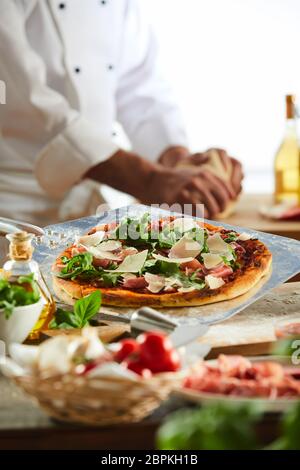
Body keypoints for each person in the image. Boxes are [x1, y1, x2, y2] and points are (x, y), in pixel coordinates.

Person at [0, 0, 243, 226]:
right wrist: (150, 180)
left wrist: (177, 160)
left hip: (89, 207)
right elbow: (20, 101)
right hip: (13, 211)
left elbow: (138, 86)